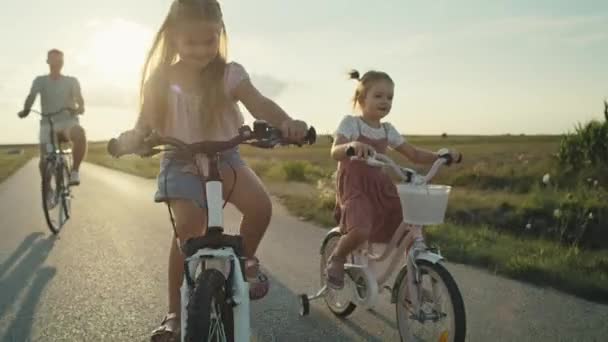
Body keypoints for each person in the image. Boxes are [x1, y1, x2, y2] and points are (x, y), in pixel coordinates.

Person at [113, 0, 309, 340]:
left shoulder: (230, 73)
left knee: (260, 207)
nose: (202, 50)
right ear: (173, 38)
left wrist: (287, 122)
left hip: (225, 159)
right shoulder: (161, 79)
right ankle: (174, 313)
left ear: (220, 33)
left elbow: (260, 103)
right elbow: (144, 122)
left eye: (210, 40)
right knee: (188, 230)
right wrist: (134, 137)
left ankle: (245, 261)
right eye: (192, 42)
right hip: (180, 162)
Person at [326, 69, 461, 289]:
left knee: (412, 220)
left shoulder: (388, 130)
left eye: (390, 97)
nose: (385, 101)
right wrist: (351, 146)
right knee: (360, 230)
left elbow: (414, 154)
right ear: (362, 99)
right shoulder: (351, 123)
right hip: (355, 186)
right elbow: (335, 151)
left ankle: (413, 274)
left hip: (380, 187)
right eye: (378, 96)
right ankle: (338, 256)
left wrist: (440, 156)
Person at [18, 49, 87, 186]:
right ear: (48, 61)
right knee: (45, 159)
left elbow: (79, 99)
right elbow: (31, 97)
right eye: (53, 60)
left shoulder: (71, 81)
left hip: (68, 123)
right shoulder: (40, 81)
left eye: (59, 60)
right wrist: (26, 110)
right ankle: (47, 187)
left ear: (62, 63)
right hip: (48, 125)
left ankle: (74, 172)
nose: (56, 63)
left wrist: (80, 107)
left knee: (79, 133)